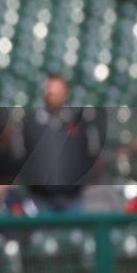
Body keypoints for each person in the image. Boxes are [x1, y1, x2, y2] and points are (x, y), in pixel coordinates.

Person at [21, 75, 101, 213]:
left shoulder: (80, 122)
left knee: (76, 232)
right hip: (40, 198)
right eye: (51, 92)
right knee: (40, 233)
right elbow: (20, 155)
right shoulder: (31, 123)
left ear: (66, 94)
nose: (54, 96)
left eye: (58, 92)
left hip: (74, 197)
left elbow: (93, 155)